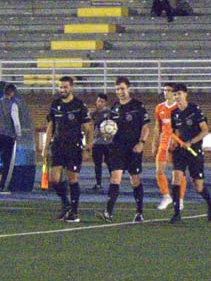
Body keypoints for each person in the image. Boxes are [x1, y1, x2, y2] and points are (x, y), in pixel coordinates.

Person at [100, 77, 150, 223]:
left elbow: (146, 127)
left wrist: (141, 143)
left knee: (135, 180)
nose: (120, 91)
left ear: (128, 89)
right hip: (117, 148)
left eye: (122, 88)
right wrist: (107, 135)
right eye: (117, 89)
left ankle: (139, 212)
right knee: (115, 178)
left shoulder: (137, 106)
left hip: (133, 149)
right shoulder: (114, 107)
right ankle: (108, 212)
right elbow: (111, 127)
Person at [41, 77, 92, 222]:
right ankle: (66, 203)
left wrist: (88, 147)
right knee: (54, 179)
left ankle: (74, 212)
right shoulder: (55, 104)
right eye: (60, 87)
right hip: (57, 146)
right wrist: (45, 146)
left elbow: (88, 128)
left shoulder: (79, 105)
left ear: (71, 88)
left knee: (72, 178)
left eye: (65, 87)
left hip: (73, 147)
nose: (62, 90)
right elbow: (51, 126)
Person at [168, 83, 211, 223]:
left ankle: (210, 202)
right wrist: (174, 142)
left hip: (194, 151)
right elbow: (175, 131)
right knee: (176, 178)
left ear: (185, 94)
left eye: (179, 94)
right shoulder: (174, 113)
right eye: (175, 94)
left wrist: (191, 142)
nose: (177, 97)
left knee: (198, 186)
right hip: (180, 151)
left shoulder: (194, 110)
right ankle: (176, 213)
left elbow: (205, 130)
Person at [151, 83, 186, 210]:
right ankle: (166, 197)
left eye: (169, 90)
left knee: (178, 173)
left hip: (177, 142)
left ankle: (180, 199)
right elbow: (157, 127)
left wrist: (177, 140)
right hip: (164, 142)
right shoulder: (159, 107)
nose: (166, 93)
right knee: (159, 171)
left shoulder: (179, 107)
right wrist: (154, 143)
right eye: (165, 90)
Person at [0, 83, 22, 193]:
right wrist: (18, 134)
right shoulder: (13, 105)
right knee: (7, 162)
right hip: (8, 136)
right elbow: (16, 122)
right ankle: (3, 185)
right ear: (12, 92)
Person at [89, 93, 111, 191]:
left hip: (108, 143)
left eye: (102, 102)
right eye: (98, 101)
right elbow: (88, 125)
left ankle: (114, 182)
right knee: (97, 164)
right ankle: (98, 183)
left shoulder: (110, 113)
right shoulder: (93, 114)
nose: (100, 103)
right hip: (97, 143)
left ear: (105, 103)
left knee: (110, 163)